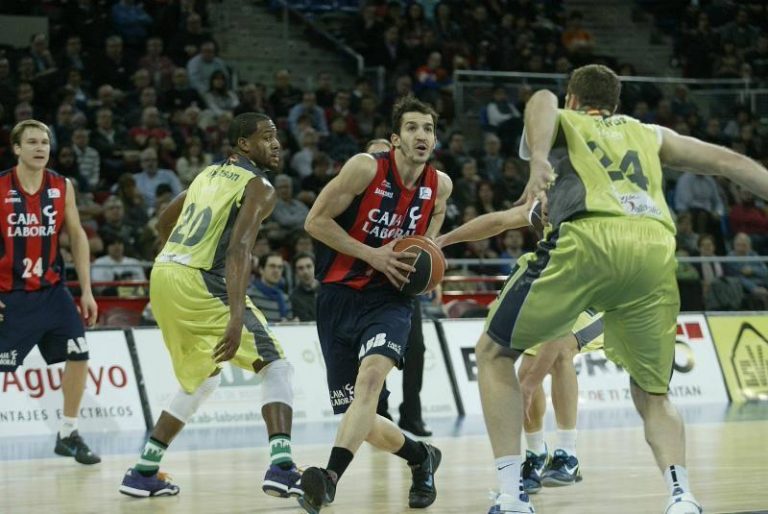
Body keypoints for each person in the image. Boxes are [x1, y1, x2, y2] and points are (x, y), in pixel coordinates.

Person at [476, 64, 768, 514]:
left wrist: (538, 158)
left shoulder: (563, 119)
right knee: (654, 392)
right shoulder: (649, 133)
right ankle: (682, 496)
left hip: (589, 239)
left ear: (573, 99)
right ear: (615, 104)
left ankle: (513, 496)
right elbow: (731, 163)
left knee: (495, 354)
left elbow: (539, 100)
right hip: (654, 248)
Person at [118, 113, 302, 500]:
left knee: (203, 378)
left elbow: (163, 223)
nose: (275, 144)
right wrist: (236, 317)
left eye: (276, 137)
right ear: (243, 145)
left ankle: (144, 471)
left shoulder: (206, 175)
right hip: (201, 279)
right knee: (275, 363)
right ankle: (283, 468)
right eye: (266, 137)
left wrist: (181, 255)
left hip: (164, 274)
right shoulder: (260, 186)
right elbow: (239, 250)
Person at [298, 96, 453, 514]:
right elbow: (314, 221)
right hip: (337, 296)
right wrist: (372, 254)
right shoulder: (365, 167)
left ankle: (328, 479)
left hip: (390, 298)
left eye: (429, 128)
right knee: (359, 418)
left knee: (371, 384)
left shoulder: (440, 185)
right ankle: (422, 457)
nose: (422, 135)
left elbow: (428, 240)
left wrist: (427, 265)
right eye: (413, 128)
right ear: (394, 139)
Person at [436, 200, 604, 494]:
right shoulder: (551, 200)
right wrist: (444, 240)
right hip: (555, 284)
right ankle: (536, 454)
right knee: (527, 367)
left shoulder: (596, 208)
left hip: (605, 295)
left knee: (560, 352)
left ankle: (568, 454)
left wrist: (529, 384)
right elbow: (500, 221)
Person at [0, 119, 100, 464]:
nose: (41, 148)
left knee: (79, 354)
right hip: (8, 295)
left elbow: (77, 236)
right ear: (16, 148)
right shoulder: (0, 186)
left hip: (53, 291)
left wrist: (85, 290)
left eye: (45, 142)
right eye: (32, 142)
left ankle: (68, 432)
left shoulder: (62, 185)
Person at [366, 137, 432, 437]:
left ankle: (412, 414)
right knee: (373, 356)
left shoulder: (413, 192)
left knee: (416, 348)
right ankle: (379, 411)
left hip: (403, 282)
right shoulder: (361, 191)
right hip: (366, 283)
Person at [290, 252, 319, 322]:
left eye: (309, 266)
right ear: (295, 272)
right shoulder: (293, 297)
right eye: (300, 268)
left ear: (316, 267)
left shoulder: (327, 291)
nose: (305, 272)